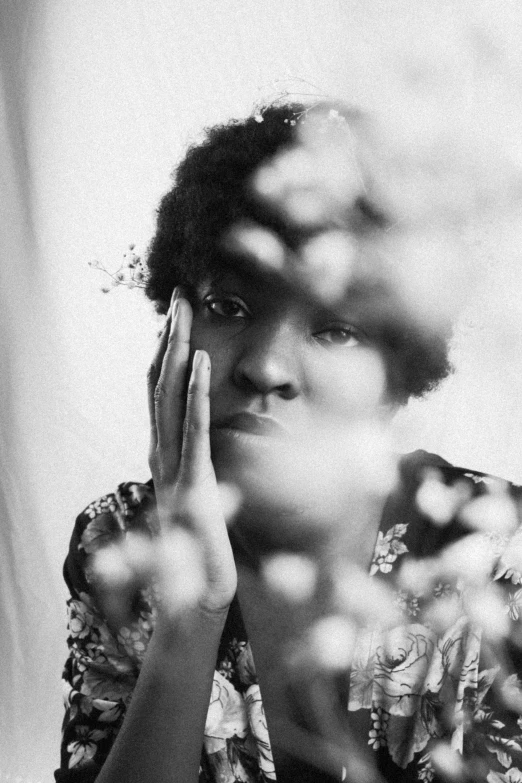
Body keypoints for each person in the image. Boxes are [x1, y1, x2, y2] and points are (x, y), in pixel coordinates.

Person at [55, 103, 522, 783]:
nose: (266, 366)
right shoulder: (118, 544)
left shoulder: (495, 551)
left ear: (399, 374)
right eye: (230, 308)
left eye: (334, 328)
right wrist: (191, 608)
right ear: (174, 333)